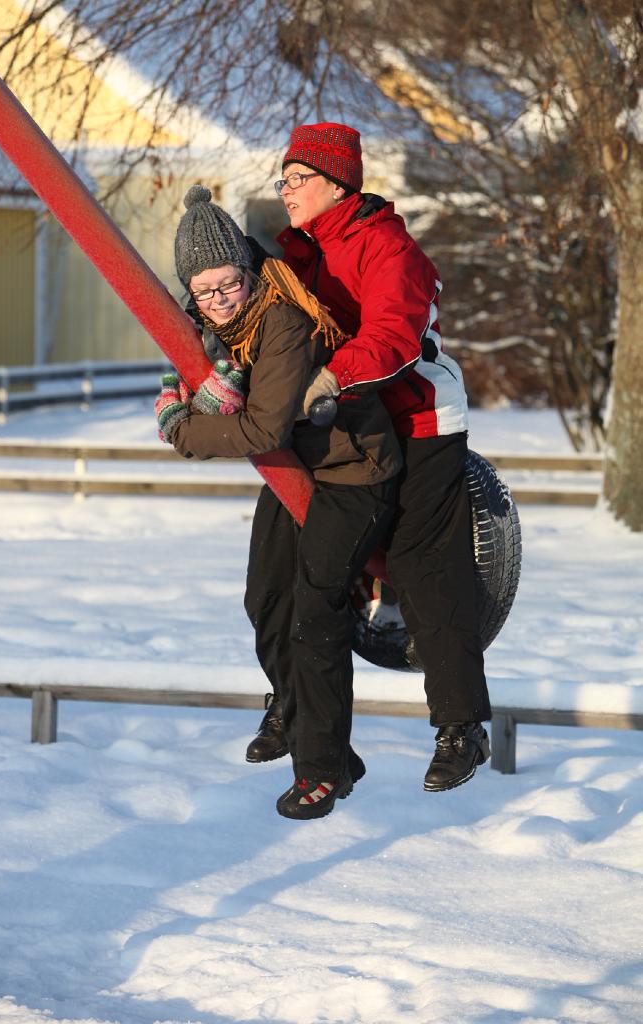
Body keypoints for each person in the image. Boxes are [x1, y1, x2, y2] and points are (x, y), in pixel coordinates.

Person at [245, 122, 491, 792]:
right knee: (273, 571)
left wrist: (332, 375)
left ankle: (461, 727)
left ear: (337, 184)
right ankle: (291, 703)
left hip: (415, 418)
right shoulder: (297, 254)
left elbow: (391, 333)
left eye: (298, 178)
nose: (286, 190)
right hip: (332, 427)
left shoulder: (387, 246)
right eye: (283, 179)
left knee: (421, 564)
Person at [156, 184, 402, 819]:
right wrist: (186, 393)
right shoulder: (221, 326)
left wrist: (184, 431)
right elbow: (203, 376)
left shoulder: (281, 319)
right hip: (297, 468)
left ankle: (322, 768)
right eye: (204, 292)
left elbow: (263, 428)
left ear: (248, 269)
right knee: (265, 600)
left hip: (351, 468)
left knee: (314, 611)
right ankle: (301, 721)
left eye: (229, 285)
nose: (218, 301)